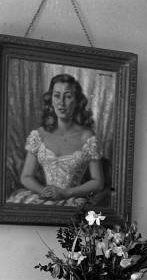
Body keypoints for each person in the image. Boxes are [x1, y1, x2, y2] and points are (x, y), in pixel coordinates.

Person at [7, 73, 105, 207]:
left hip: (72, 200)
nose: (61, 102)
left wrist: (66, 193)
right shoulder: (39, 135)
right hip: (42, 198)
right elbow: (26, 176)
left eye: (68, 96)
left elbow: (98, 182)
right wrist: (44, 191)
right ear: (51, 99)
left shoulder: (87, 136)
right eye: (57, 95)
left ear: (76, 101)